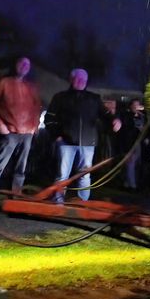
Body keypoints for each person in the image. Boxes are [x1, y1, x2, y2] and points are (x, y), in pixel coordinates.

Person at [45, 68, 119, 202]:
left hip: (88, 144)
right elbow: (49, 119)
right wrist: (57, 136)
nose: (81, 82)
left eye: (84, 79)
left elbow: (106, 115)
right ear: (71, 80)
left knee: (85, 176)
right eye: (78, 79)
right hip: (66, 143)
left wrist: (115, 120)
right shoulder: (60, 97)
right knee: (62, 176)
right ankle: (58, 203)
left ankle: (82, 203)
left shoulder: (93, 98)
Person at [0, 56, 43, 194]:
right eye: (22, 63)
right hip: (10, 132)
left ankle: (16, 196)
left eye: (27, 64)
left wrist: (34, 127)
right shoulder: (4, 82)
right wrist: (0, 124)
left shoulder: (31, 86)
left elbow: (37, 107)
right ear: (15, 65)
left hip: (27, 134)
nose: (24, 66)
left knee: (21, 169)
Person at [119, 98, 148, 191]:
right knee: (130, 163)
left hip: (139, 143)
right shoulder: (127, 116)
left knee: (136, 164)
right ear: (131, 106)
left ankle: (127, 184)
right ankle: (132, 185)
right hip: (130, 143)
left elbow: (146, 129)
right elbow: (126, 131)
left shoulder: (142, 116)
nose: (136, 107)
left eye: (137, 105)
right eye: (134, 105)